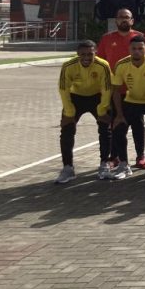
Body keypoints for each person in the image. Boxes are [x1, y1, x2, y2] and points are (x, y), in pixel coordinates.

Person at [55, 40, 113, 184]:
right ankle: (68, 168)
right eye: (83, 54)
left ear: (96, 53)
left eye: (90, 54)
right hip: (76, 98)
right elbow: (63, 89)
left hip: (97, 97)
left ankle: (104, 164)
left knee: (105, 129)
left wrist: (102, 109)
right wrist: (69, 112)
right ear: (77, 54)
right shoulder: (68, 66)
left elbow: (107, 89)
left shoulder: (103, 65)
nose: (86, 57)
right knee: (67, 130)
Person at [98, 7, 145, 167]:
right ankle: (115, 156)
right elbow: (100, 63)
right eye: (121, 17)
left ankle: (140, 156)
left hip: (135, 89)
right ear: (116, 20)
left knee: (138, 124)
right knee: (117, 125)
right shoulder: (107, 39)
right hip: (115, 90)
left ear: (132, 20)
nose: (124, 20)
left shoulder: (139, 38)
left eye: (127, 17)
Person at [109, 35, 145, 180]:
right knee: (118, 128)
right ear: (129, 50)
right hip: (132, 101)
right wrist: (119, 114)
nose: (137, 51)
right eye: (134, 49)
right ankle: (124, 165)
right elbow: (116, 91)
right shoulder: (121, 64)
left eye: (140, 48)